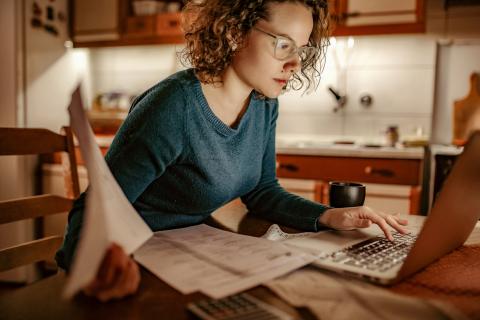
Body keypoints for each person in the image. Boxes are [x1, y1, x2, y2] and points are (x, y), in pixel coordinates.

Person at [56, 0, 409, 302]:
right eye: (283, 44)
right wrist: (97, 266)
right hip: (135, 264)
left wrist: (330, 216)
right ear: (234, 31)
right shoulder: (172, 108)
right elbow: (91, 213)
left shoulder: (263, 104)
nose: (296, 64)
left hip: (191, 255)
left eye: (301, 50)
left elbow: (262, 190)